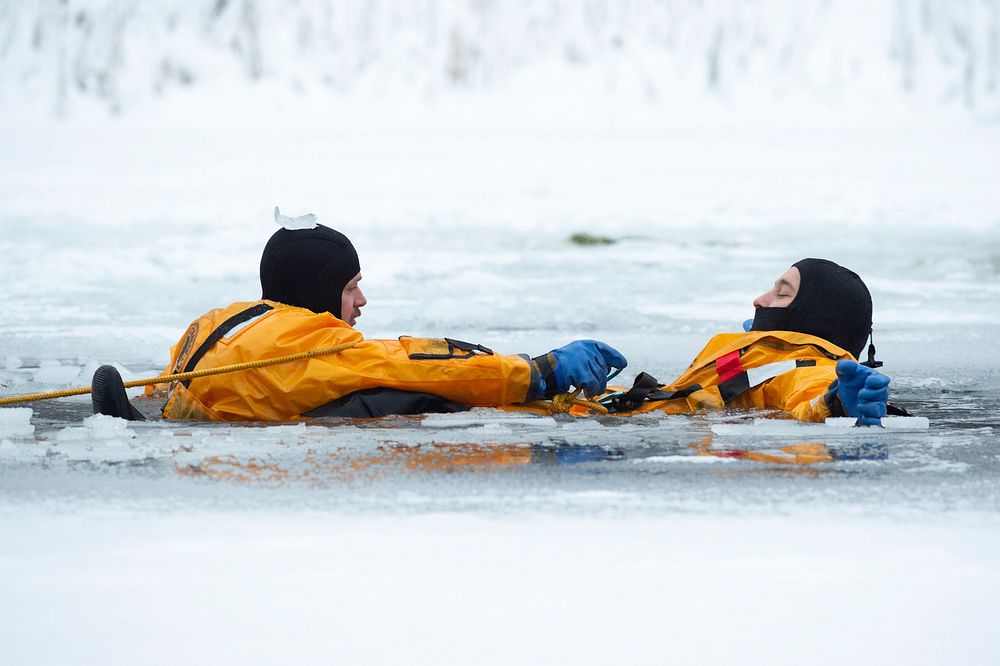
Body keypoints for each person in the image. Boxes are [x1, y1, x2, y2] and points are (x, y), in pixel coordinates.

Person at [93, 220, 626, 422]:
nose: (363, 301)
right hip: (245, 422)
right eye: (351, 287)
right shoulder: (310, 344)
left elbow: (166, 384)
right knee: (403, 397)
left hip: (195, 412)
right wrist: (539, 371)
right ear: (317, 292)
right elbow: (414, 365)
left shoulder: (221, 321)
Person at [593, 258, 892, 425]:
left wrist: (834, 403)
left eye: (783, 294)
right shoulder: (767, 356)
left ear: (817, 317)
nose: (759, 300)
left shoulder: (811, 367)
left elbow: (808, 390)